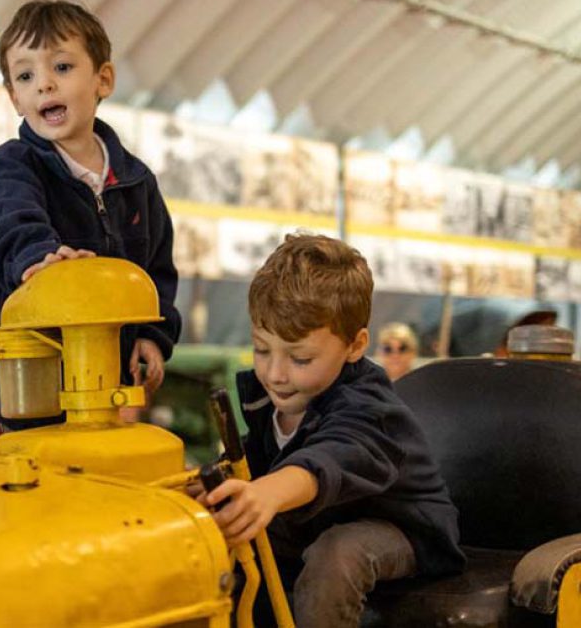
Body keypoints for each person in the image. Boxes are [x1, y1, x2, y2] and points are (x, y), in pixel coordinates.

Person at [195, 234, 464, 627]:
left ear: (355, 346)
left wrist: (269, 491)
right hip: (315, 523)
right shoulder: (270, 401)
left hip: (403, 530)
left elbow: (335, 456)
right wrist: (214, 489)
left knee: (338, 554)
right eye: (262, 349)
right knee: (221, 537)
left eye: (301, 358)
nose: (275, 374)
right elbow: (253, 461)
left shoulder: (369, 406)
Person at [0, 0, 181, 430]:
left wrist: (151, 334)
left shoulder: (136, 183)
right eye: (26, 76)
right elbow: (12, 224)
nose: (44, 85)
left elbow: (156, 271)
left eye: (62, 68)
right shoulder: (12, 167)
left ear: (103, 79)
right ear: (14, 98)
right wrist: (40, 259)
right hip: (31, 393)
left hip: (104, 390)